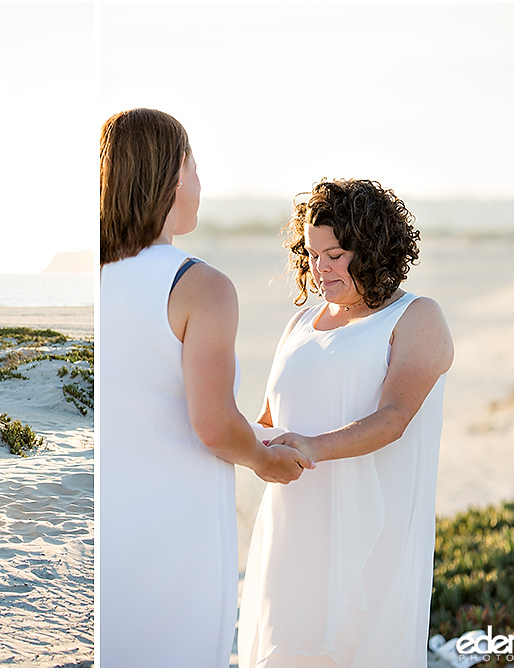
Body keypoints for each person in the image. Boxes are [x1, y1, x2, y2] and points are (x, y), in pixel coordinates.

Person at [99, 108, 314, 668]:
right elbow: (213, 423)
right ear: (173, 174)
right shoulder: (200, 286)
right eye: (195, 165)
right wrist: (264, 461)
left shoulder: (97, 278)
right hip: (175, 524)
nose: (200, 181)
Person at [237, 179, 454, 667]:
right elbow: (269, 421)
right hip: (293, 531)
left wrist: (312, 447)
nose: (320, 269)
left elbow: (393, 418)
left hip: (372, 536)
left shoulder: (416, 317)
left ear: (373, 249)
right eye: (312, 255)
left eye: (334, 255)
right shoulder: (300, 325)